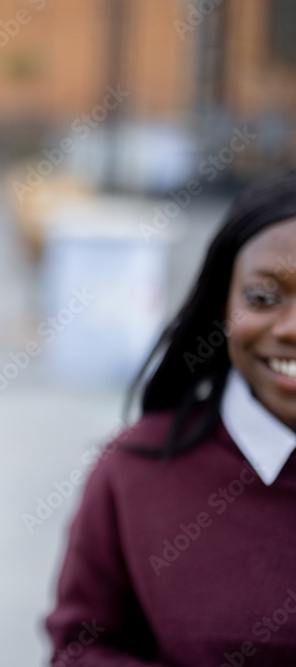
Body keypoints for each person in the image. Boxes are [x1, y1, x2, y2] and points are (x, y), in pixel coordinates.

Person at [46, 169, 296, 665]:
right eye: (263, 297)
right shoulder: (135, 469)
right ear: (221, 304)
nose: (290, 328)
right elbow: (80, 648)